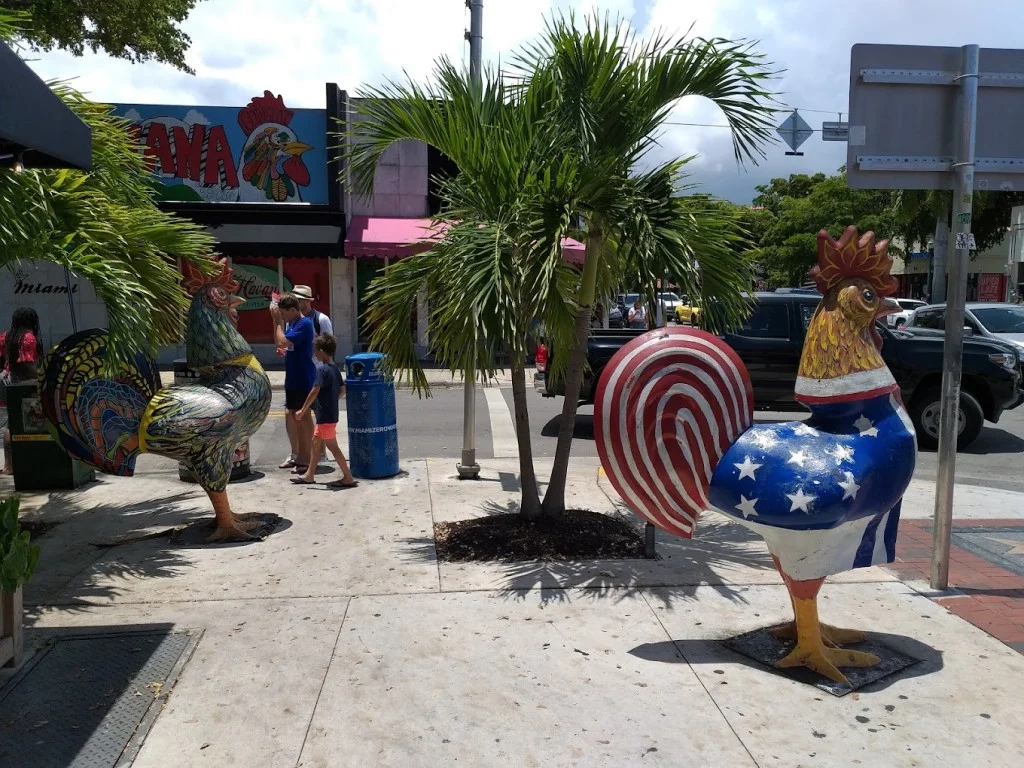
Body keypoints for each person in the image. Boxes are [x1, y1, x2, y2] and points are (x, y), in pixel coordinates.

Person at [291, 334, 357, 489]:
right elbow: (342, 389)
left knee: (333, 447)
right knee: (315, 443)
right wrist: (332, 399)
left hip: (325, 416)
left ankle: (348, 477)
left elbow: (315, 390)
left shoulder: (322, 370)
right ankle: (309, 475)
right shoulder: (334, 369)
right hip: (328, 414)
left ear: (321, 351)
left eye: (315, 350)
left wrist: (302, 410)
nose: (314, 353)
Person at [281, 285, 333, 467]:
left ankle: (318, 454)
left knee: (316, 416)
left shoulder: (320, 320)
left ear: (306, 302)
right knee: (292, 414)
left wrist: (328, 372)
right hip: (297, 371)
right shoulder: (291, 321)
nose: (297, 301)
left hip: (316, 372)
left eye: (299, 299)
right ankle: (297, 453)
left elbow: (329, 345)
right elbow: (288, 342)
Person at [271, 295, 316, 472]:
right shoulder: (292, 324)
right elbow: (281, 344)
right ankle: (299, 455)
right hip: (293, 378)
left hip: (303, 378)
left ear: (292, 309)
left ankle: (307, 458)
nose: (282, 317)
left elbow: (282, 340)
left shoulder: (305, 324)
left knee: (303, 417)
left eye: (283, 313)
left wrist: (276, 322)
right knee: (294, 417)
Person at [1, 308, 44, 475]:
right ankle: (27, 462)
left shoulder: (6, 336)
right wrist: (41, 376)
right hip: (24, 383)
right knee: (32, 420)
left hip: (8, 381)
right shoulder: (28, 337)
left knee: (12, 422)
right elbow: (25, 365)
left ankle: (9, 465)